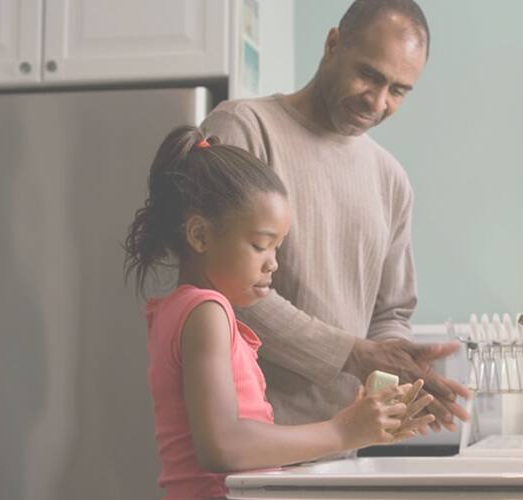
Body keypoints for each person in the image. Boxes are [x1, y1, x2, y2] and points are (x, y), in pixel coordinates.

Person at [201, 0, 470, 436]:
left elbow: (391, 310)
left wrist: (398, 365)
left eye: (399, 90)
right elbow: (222, 286)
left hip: (342, 444)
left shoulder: (391, 179)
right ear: (332, 45)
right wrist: (354, 354)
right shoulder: (243, 128)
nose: (378, 101)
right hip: (250, 441)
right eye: (369, 75)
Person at [124, 126, 435, 499]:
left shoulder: (179, 309)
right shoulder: (207, 312)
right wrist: (342, 431)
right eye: (261, 245)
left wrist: (355, 425)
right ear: (200, 236)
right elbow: (223, 446)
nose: (273, 264)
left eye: (278, 248)